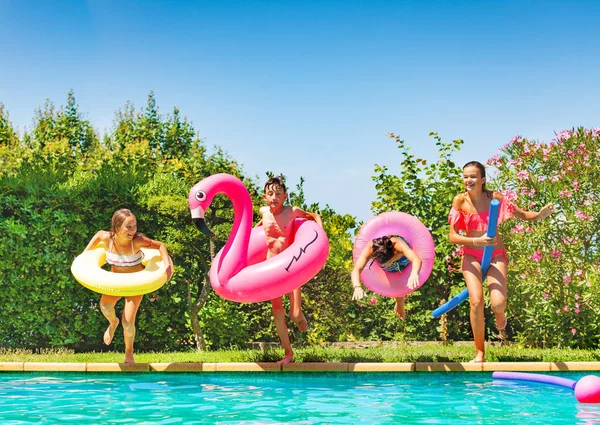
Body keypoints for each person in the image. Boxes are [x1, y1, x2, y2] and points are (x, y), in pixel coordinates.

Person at [448, 161, 554, 363]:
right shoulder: (459, 201)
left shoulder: (494, 198)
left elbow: (522, 214)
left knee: (498, 303)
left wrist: (540, 215)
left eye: (472, 176)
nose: (468, 180)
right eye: (465, 176)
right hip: (471, 255)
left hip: (495, 254)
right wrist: (476, 240)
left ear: (482, 179)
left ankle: (499, 314)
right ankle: (480, 353)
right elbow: (452, 237)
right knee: (476, 301)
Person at [83, 208, 173, 364]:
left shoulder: (137, 241)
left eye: (135, 226)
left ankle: (129, 353)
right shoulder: (107, 239)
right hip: (116, 283)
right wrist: (84, 254)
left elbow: (160, 246)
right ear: (117, 228)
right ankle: (112, 323)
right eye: (129, 227)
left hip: (135, 285)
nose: (133, 230)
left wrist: (167, 264)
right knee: (104, 306)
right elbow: (98, 234)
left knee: (128, 322)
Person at [258, 176, 323, 364]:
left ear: (285, 196)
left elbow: (314, 216)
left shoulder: (292, 211)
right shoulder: (263, 212)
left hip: (290, 266)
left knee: (294, 315)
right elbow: (261, 231)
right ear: (265, 197)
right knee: (277, 311)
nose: (274, 197)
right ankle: (288, 354)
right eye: (270, 194)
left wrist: (320, 234)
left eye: (278, 194)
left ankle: (300, 318)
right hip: (271, 266)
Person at [351, 235, 422, 319]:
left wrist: (414, 273)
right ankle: (400, 302)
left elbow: (416, 259)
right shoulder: (370, 249)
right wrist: (357, 286)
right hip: (388, 265)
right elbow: (356, 269)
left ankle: (400, 303)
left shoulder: (397, 244)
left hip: (403, 259)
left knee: (399, 279)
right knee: (395, 284)